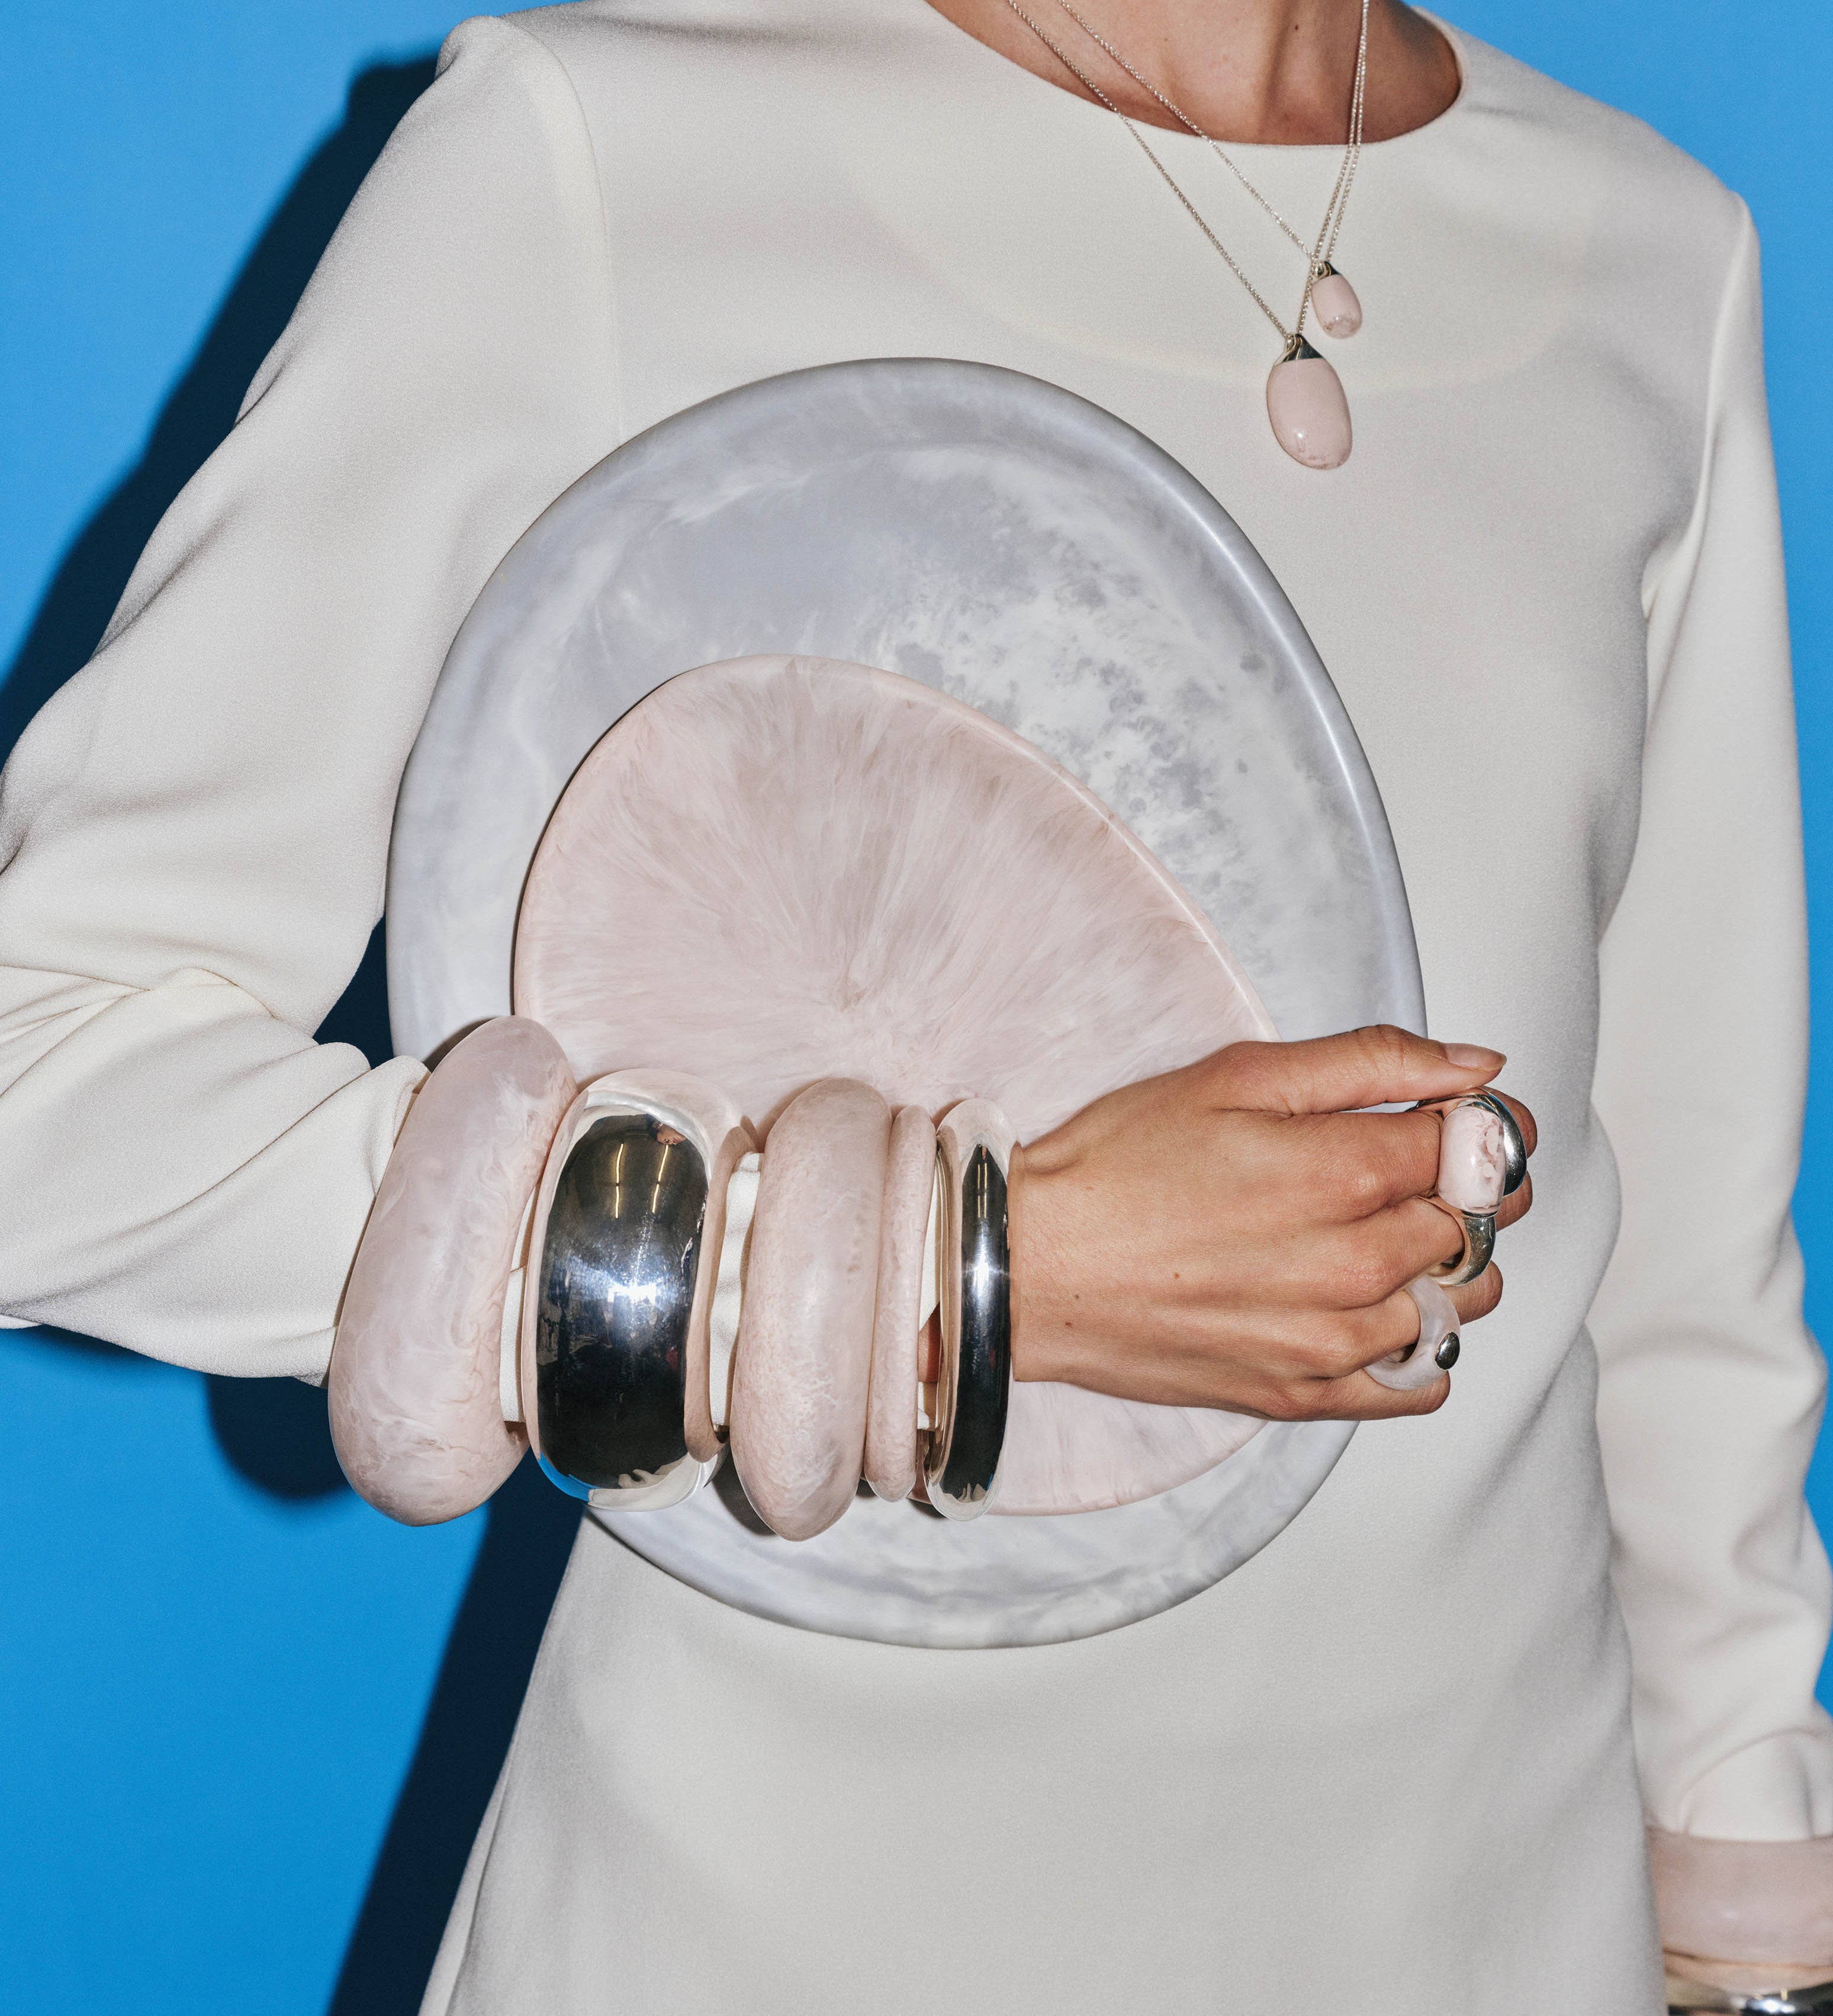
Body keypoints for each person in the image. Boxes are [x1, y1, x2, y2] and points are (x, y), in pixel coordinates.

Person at [1, 0, 1826, 2007]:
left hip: (1502, 1921)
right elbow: (39, 1092)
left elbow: (1680, 1293)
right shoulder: (610, 151)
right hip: (777, 1933)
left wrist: (1753, 1917)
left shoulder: (1654, 258)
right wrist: (940, 1275)